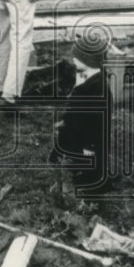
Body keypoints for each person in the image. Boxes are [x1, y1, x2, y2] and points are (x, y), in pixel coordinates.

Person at [48, 41, 114, 193]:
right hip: (75, 132)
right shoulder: (88, 79)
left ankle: (88, 193)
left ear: (87, 60)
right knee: (68, 158)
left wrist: (89, 147)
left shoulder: (96, 88)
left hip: (86, 141)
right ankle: (67, 182)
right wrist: (65, 120)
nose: (73, 59)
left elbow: (97, 123)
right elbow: (77, 110)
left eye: (76, 57)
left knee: (87, 168)